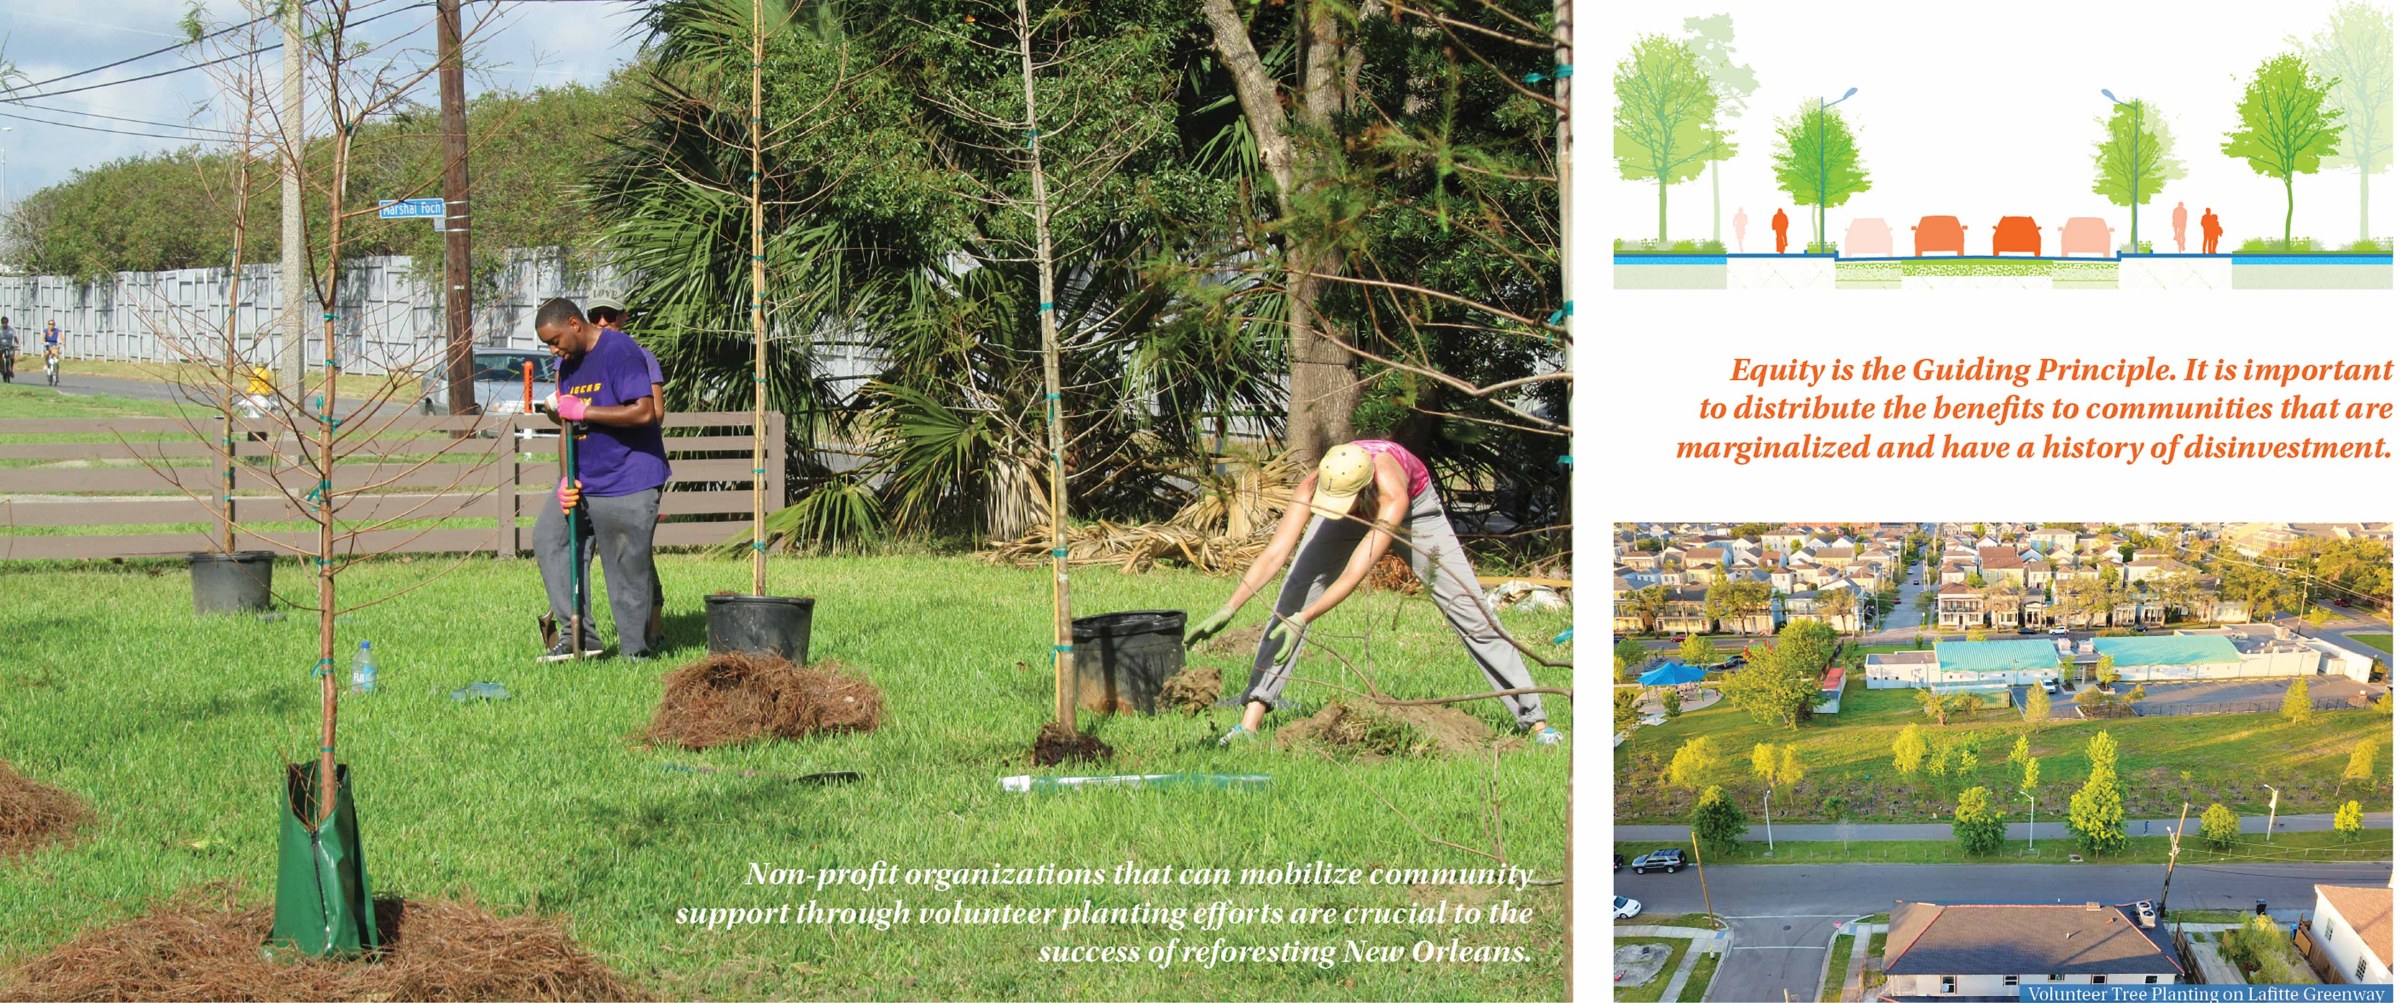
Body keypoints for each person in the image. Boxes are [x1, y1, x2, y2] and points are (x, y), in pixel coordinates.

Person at [1184, 440, 1561, 747]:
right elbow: (1274, 554)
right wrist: (1229, 607)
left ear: (1362, 489)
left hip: (1416, 510)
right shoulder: (1321, 480)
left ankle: (1536, 722)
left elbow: (1353, 574)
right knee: (1292, 596)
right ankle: (1249, 723)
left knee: (1470, 611)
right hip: (1360, 501)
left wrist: (1307, 618)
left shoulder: (1393, 494)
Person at [532, 297, 670, 661]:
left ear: (575, 324)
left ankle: (634, 654)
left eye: (556, 339)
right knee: (549, 538)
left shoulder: (620, 351)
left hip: (629, 477)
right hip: (585, 480)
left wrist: (587, 410)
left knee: (625, 566)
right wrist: (565, 480)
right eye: (547, 343)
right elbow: (566, 424)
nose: (553, 349)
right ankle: (578, 636)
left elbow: (646, 413)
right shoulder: (567, 366)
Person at [581, 289, 667, 649]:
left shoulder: (639, 356)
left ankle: (654, 619)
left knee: (634, 551)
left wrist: (598, 416)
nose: (604, 322)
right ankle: (578, 633)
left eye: (610, 315)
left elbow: (655, 413)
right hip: (589, 473)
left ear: (623, 318)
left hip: (630, 471)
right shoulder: (575, 360)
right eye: (597, 316)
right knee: (572, 545)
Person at [0, 317, 15, 383]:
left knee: (12, 357)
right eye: (3, 323)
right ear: (1, 323)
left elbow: (15, 337)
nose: (4, 324)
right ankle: (1, 367)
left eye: (6, 323)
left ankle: (11, 369)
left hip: (9, 347)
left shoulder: (11, 330)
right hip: (1, 346)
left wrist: (17, 344)